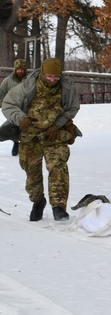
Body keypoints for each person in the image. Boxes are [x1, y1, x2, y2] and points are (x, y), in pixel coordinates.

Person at [1, 58, 80, 222]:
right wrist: (20, 118)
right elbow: (8, 104)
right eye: (49, 76)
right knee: (32, 174)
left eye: (56, 78)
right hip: (30, 137)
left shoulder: (66, 88)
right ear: (43, 73)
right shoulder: (27, 86)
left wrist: (57, 124)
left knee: (57, 167)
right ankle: (38, 201)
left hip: (54, 136)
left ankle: (58, 207)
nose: (52, 80)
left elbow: (73, 108)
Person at [0, 58, 29, 156]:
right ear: (15, 69)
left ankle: (25, 145)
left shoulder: (30, 80)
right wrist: (5, 104)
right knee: (11, 127)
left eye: (22, 69)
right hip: (13, 109)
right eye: (18, 69)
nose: (21, 71)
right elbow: (1, 93)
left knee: (26, 126)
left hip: (28, 108)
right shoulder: (8, 81)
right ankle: (16, 142)